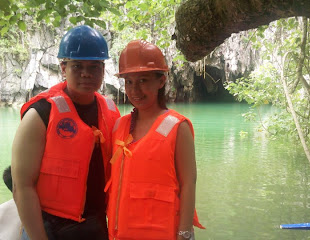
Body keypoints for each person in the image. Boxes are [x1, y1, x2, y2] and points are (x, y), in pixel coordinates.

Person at [11, 25, 120, 240]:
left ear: (103, 68)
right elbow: (21, 186)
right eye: (77, 66)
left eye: (94, 66)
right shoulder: (41, 114)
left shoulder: (110, 111)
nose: (86, 73)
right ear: (63, 67)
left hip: (94, 224)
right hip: (50, 226)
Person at [105, 40, 204, 240]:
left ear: (161, 81)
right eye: (129, 82)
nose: (135, 90)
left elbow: (189, 183)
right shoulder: (119, 126)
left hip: (162, 233)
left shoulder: (177, 127)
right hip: (121, 233)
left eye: (143, 80)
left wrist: (185, 234)